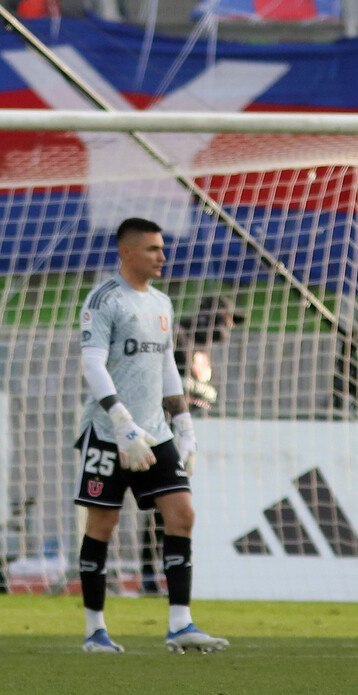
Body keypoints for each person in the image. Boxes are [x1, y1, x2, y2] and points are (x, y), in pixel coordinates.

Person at [74, 217, 228, 654]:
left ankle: (181, 623)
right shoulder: (104, 299)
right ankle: (94, 630)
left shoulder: (162, 302)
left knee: (182, 515)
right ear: (127, 252)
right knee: (103, 525)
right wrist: (121, 424)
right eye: (153, 249)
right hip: (109, 432)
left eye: (163, 248)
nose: (162, 256)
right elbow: (92, 365)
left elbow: (166, 367)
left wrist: (184, 425)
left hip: (155, 432)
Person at [139, 294, 242, 593]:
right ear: (211, 318)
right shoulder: (178, 337)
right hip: (165, 434)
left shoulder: (204, 351)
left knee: (178, 507)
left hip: (193, 439)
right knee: (162, 505)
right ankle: (150, 573)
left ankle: (170, 570)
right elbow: (168, 386)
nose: (230, 328)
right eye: (227, 320)